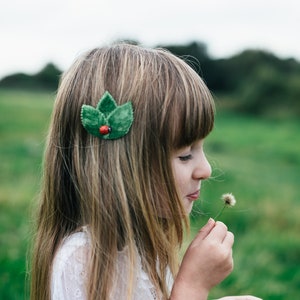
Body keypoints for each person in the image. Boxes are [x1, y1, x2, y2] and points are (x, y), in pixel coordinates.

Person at [30, 43, 261, 300]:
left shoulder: (145, 246)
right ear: (121, 166)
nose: (205, 170)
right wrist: (193, 286)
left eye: (201, 148)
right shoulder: (82, 260)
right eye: (185, 154)